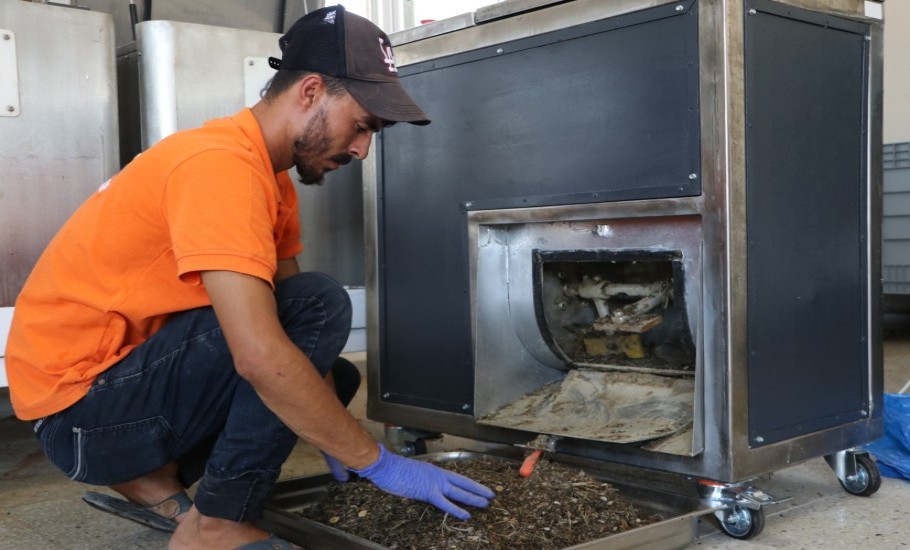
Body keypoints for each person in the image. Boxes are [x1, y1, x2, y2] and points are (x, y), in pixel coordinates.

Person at [4, 5, 494, 550]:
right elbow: (262, 350)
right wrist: (375, 460)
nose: (361, 149)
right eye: (362, 125)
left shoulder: (268, 178)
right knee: (319, 307)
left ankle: (155, 485)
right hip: (81, 418)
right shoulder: (218, 167)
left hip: (111, 399)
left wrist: (334, 433)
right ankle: (217, 525)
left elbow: (287, 322)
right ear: (310, 92)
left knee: (329, 379)